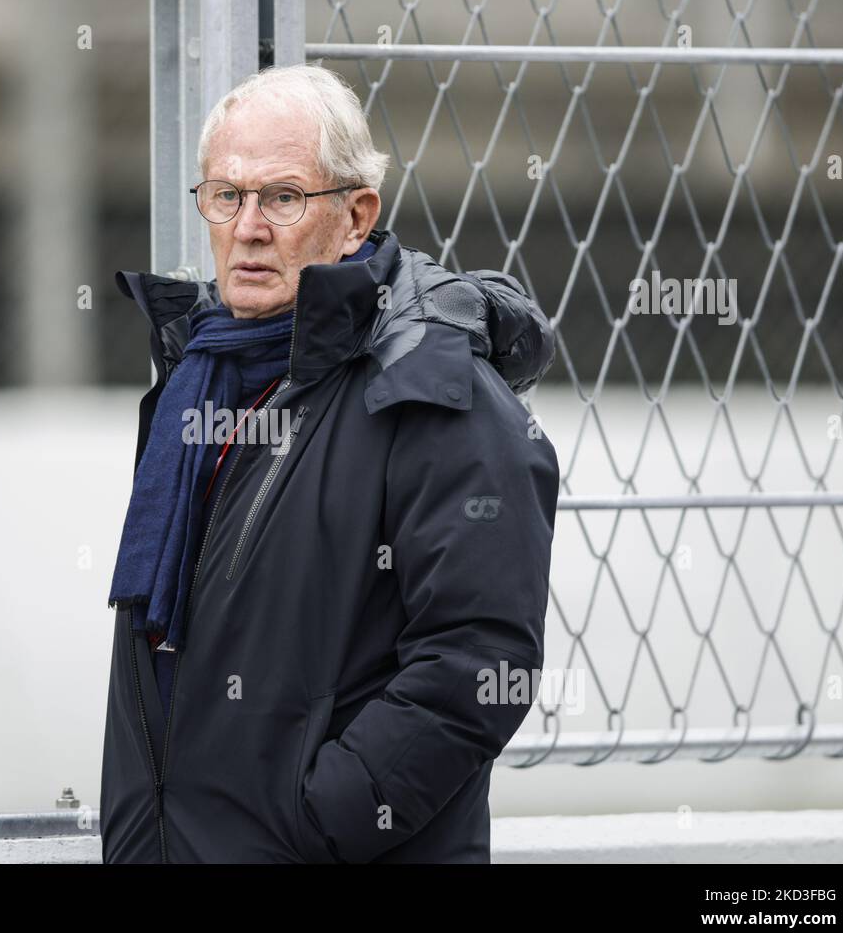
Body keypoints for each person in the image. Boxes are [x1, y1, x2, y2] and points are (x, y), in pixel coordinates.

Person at [101, 63, 560, 863]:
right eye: (225, 195)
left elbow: (481, 662)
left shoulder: (432, 389)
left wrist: (317, 823)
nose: (247, 227)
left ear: (355, 216)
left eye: (282, 197)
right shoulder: (197, 376)